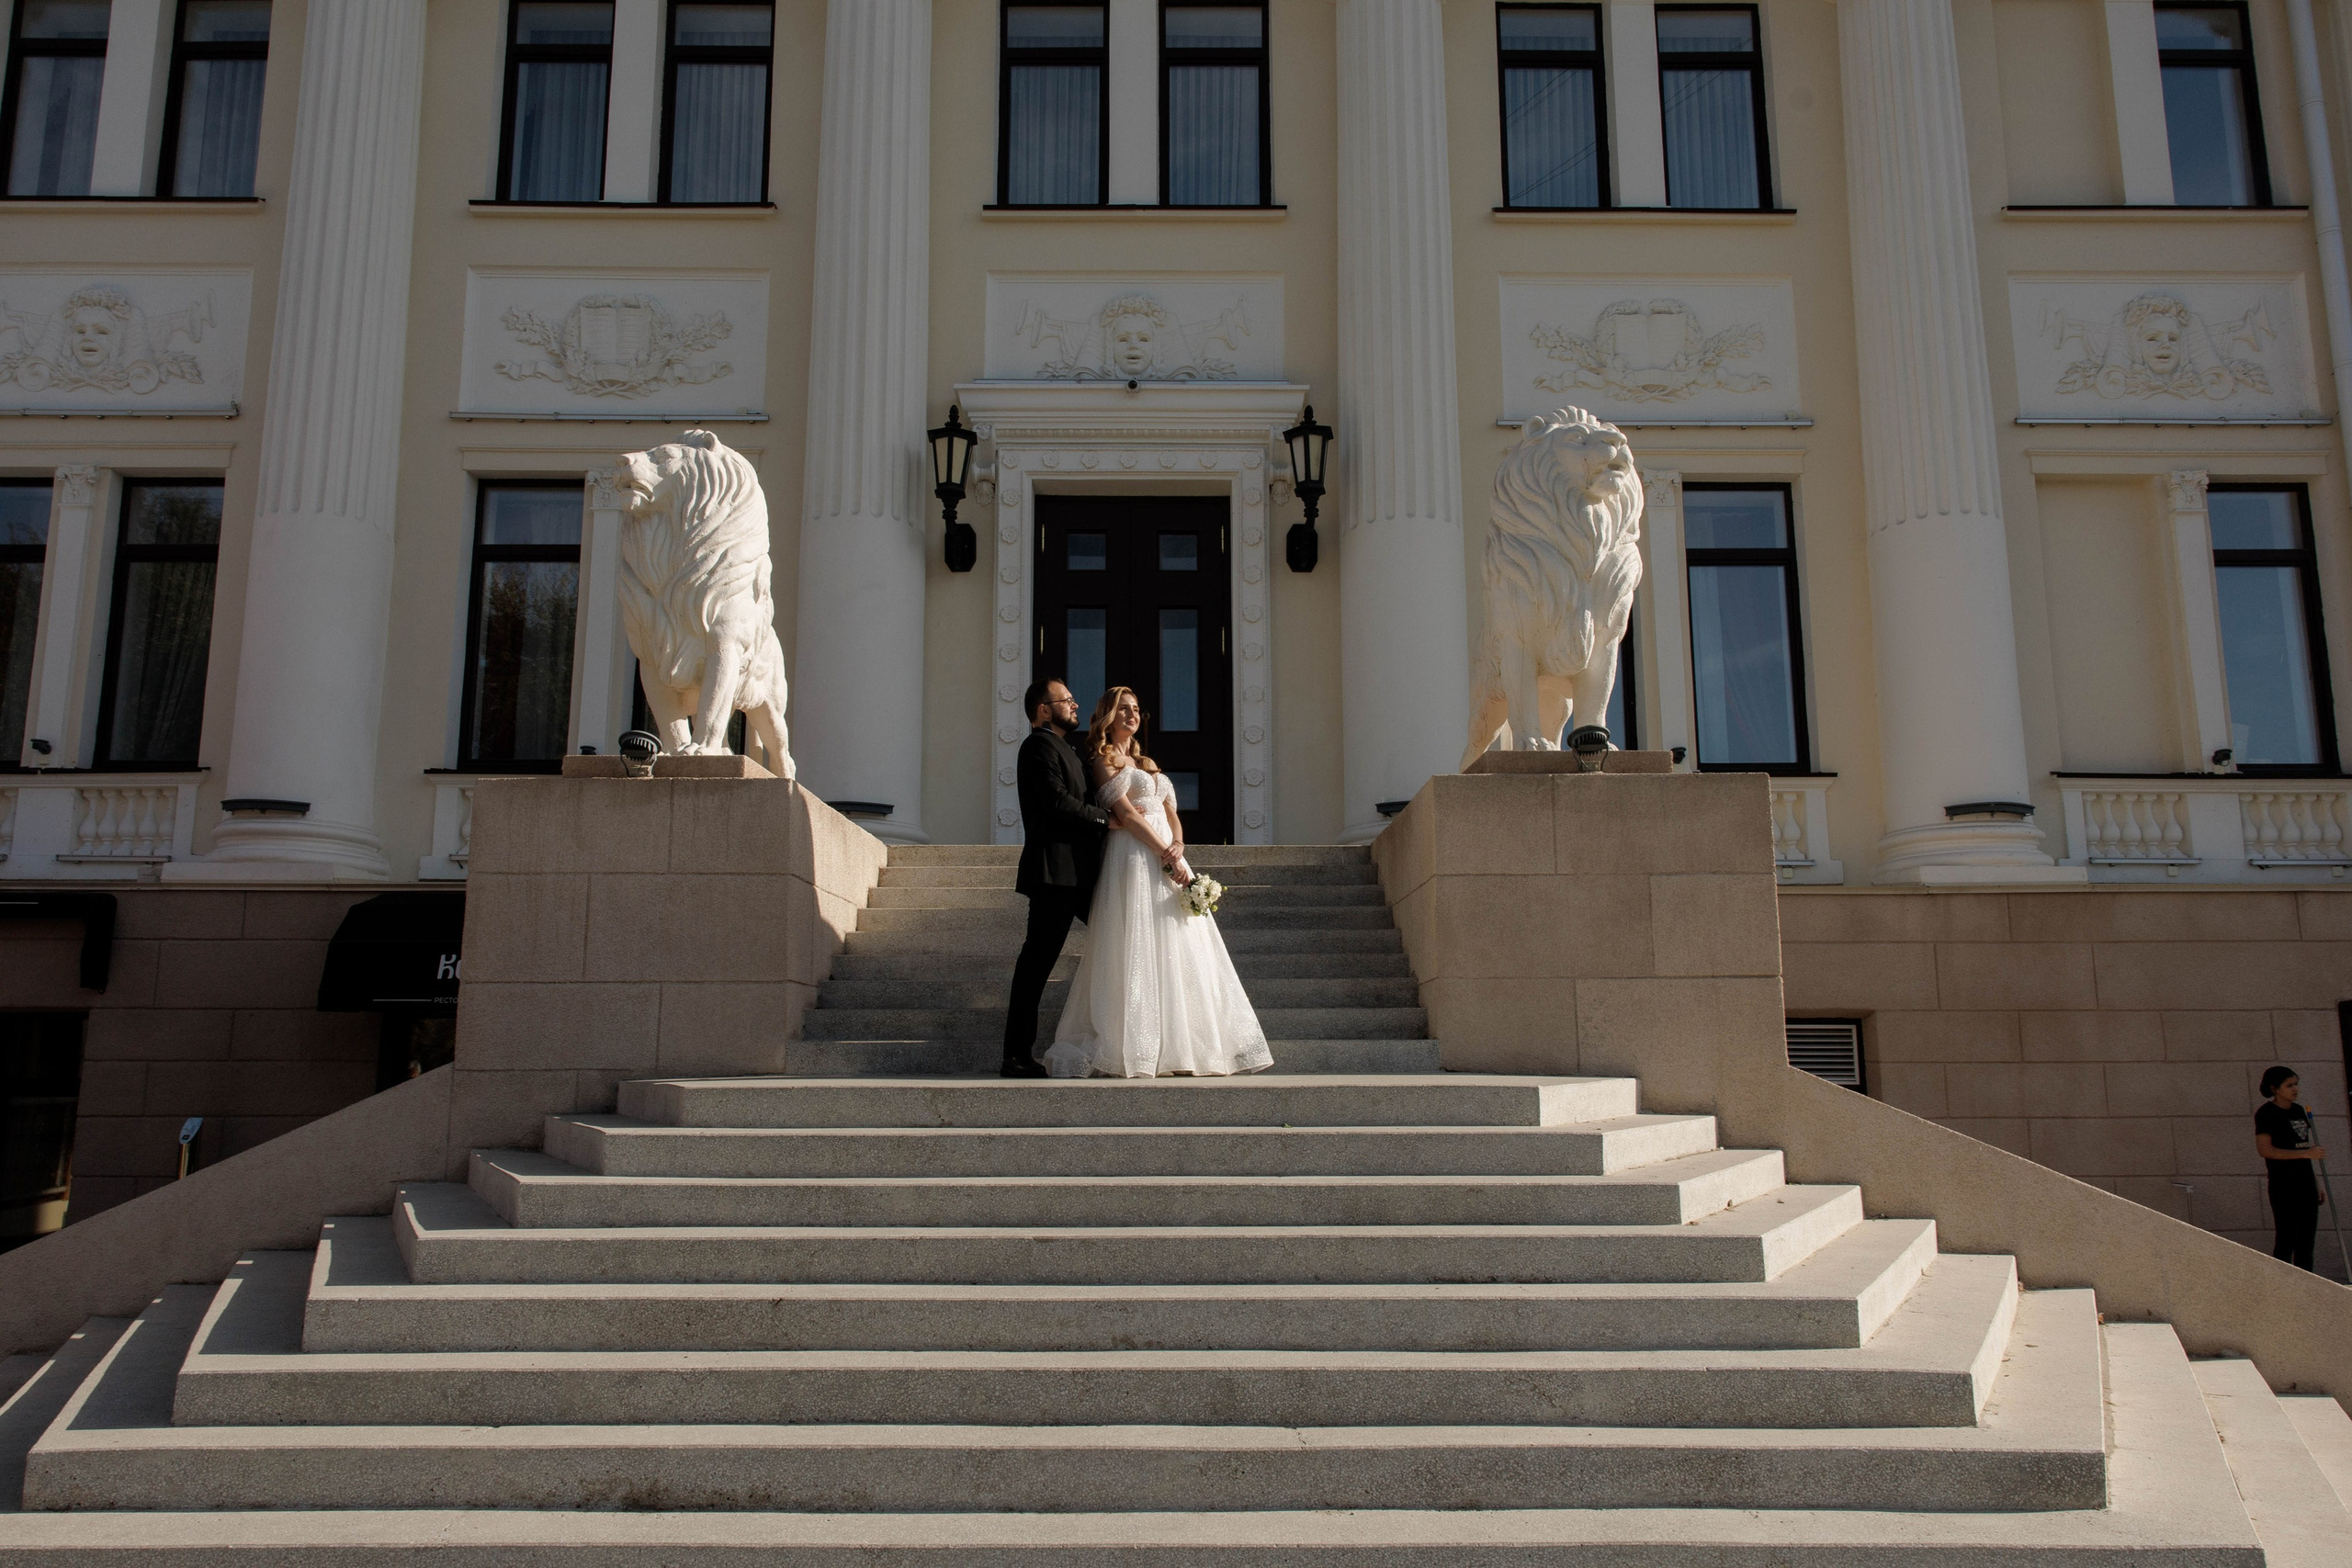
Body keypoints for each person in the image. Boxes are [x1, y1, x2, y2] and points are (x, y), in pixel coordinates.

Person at [1043, 686, 1272, 1079]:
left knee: (1177, 938)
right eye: (1123, 710)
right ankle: (1136, 1044)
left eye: (1135, 709)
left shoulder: (1146, 761)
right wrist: (1166, 854)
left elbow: (1170, 811)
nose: (1132, 715)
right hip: (1132, 856)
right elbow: (1127, 815)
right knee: (1138, 940)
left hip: (1167, 850)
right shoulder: (1103, 759)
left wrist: (1178, 847)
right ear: (1108, 717)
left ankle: (1181, 1043)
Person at [1001, 679, 1112, 1077]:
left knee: (1122, 940)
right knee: (1036, 964)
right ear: (1044, 710)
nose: (1075, 704)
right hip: (1054, 875)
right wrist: (1106, 819)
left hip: (1081, 875)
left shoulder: (1068, 749)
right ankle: (1014, 1055)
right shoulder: (1038, 746)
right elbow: (1055, 801)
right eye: (1066, 700)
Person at [2255, 1066, 2327, 1271]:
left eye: (2296, 1084)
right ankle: (2281, 1285)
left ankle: (2306, 1287)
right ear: (2275, 1088)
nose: (2295, 1089)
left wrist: (2316, 1182)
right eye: (2289, 1085)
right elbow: (2265, 1150)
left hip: (2306, 1182)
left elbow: (2307, 1149)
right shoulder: (2266, 1113)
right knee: (2287, 1238)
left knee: (2306, 1240)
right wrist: (2304, 1153)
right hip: (2283, 1184)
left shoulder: (2298, 1110)